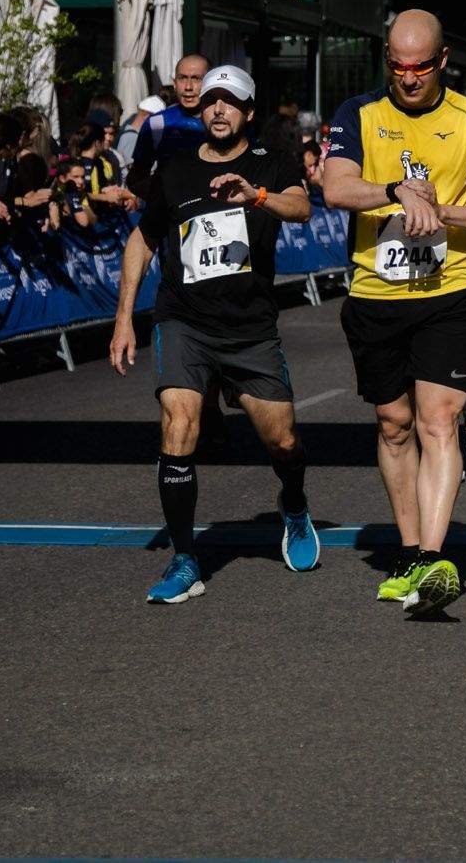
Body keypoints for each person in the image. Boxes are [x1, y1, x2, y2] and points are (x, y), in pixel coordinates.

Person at [320, 10, 466, 611]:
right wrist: (395, 193)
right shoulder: (357, 113)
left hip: (447, 291)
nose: (408, 77)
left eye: (420, 66)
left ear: (443, 60)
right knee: (393, 423)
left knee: (436, 420)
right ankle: (407, 550)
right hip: (376, 294)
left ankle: (431, 559)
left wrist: (440, 210)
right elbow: (335, 188)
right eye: (398, 66)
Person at [109, 65, 319, 602]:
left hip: (249, 329)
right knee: (179, 423)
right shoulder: (175, 169)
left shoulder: (270, 162)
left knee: (283, 441)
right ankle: (185, 560)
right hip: (184, 321)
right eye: (209, 101)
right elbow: (143, 240)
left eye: (230, 101)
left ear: (249, 112)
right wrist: (124, 318)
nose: (218, 109)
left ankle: (293, 506)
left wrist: (257, 196)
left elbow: (301, 208)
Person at [126, 53, 210, 196]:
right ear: (174, 83)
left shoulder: (224, 121)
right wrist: (162, 198)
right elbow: (136, 178)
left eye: (196, 79)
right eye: (182, 78)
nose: (188, 87)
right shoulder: (156, 123)